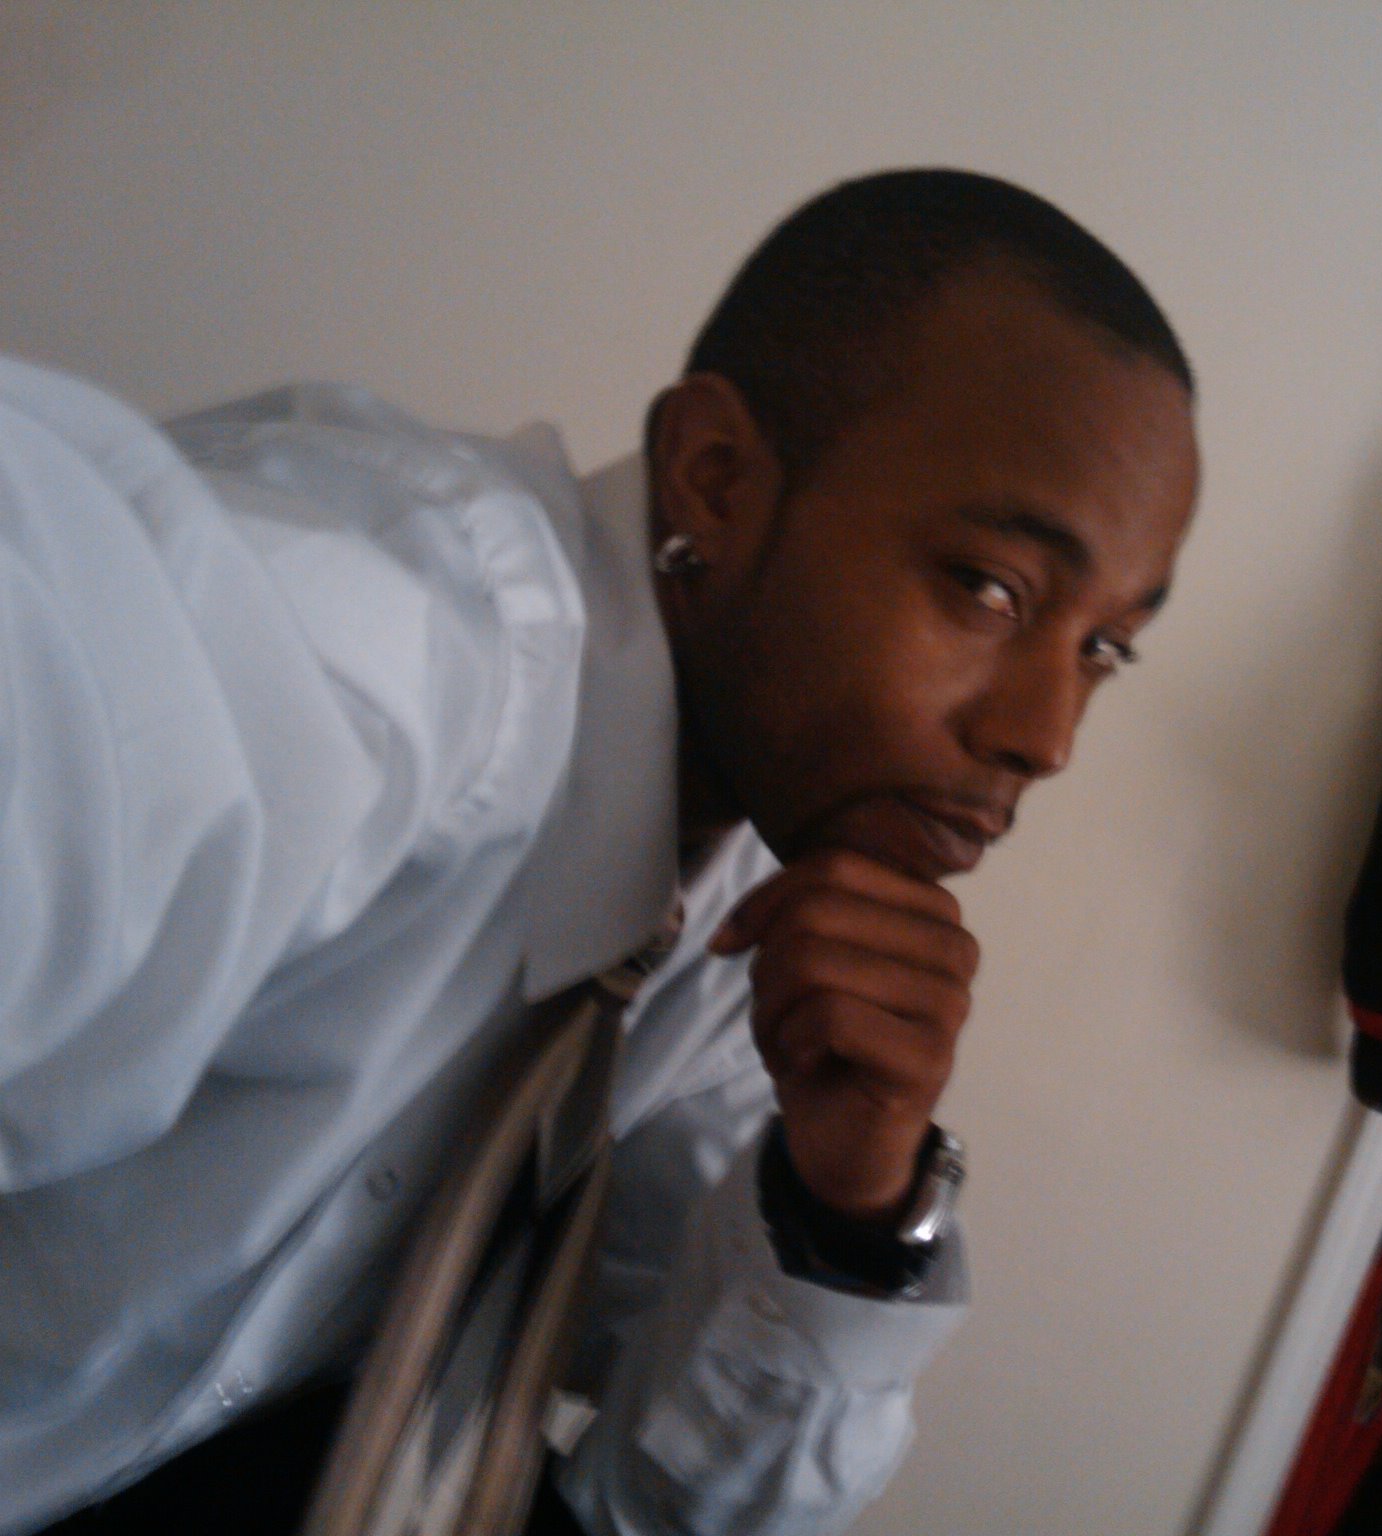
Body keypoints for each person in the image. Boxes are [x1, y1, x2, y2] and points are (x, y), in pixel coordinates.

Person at [0, 168, 1200, 1535]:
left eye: (1105, 648)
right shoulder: (398, 640)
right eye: (989, 588)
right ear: (717, 478)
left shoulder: (752, 918)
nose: (1045, 736)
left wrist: (850, 1203)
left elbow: (667, 1506)